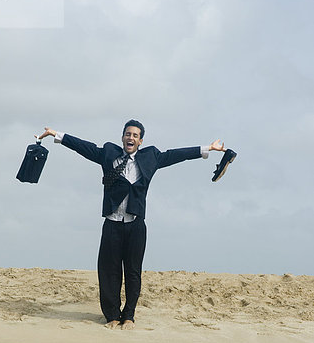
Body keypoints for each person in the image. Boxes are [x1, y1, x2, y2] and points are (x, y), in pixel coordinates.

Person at [36, 120, 227, 330]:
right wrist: (57, 134)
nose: (131, 138)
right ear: (122, 137)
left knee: (133, 272)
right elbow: (84, 147)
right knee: (109, 271)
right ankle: (112, 316)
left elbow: (176, 155)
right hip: (112, 224)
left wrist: (207, 148)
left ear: (140, 141)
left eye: (135, 135)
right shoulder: (108, 154)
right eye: (128, 134)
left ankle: (129, 316)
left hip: (135, 225)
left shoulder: (151, 157)